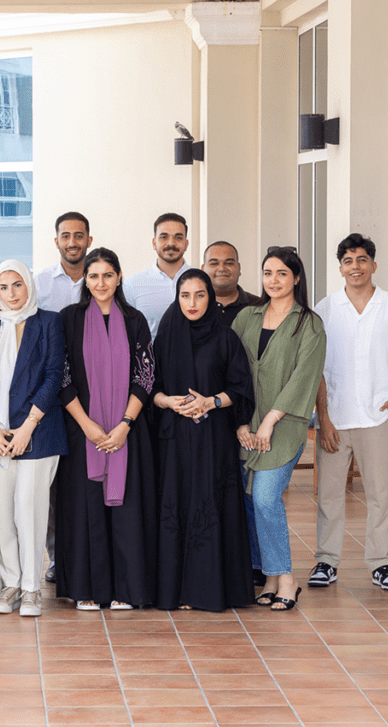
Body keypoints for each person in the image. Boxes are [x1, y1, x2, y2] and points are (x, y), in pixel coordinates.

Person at [310, 233, 388, 592]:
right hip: (336, 419)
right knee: (329, 495)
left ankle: (380, 564)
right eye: (347, 261)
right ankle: (326, 562)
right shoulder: (325, 309)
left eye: (361, 260)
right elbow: (315, 367)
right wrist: (323, 418)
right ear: (340, 268)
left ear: (373, 265)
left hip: (376, 417)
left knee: (379, 496)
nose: (355, 267)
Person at [55, 248, 158, 610]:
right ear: (85, 279)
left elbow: (145, 376)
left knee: (126, 512)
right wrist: (88, 426)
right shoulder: (69, 319)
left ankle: (126, 590)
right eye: (93, 276)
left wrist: (124, 425)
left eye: (107, 275)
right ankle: (86, 589)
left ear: (119, 278)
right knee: (85, 512)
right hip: (81, 432)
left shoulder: (135, 320)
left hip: (128, 433)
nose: (101, 283)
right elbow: (62, 376)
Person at [152, 269, 255, 612]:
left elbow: (241, 390)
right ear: (176, 298)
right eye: (185, 295)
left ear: (211, 298)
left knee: (210, 506)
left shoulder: (225, 339)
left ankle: (209, 590)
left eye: (200, 295)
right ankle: (177, 592)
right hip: (175, 440)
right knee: (177, 506)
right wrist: (168, 402)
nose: (192, 303)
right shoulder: (164, 337)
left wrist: (210, 401)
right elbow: (150, 389)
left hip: (213, 441)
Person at [232, 247, 326, 611]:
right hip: (245, 423)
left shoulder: (310, 324)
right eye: (268, 273)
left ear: (297, 278)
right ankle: (270, 577)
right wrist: (242, 421)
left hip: (284, 425)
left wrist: (269, 421)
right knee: (251, 500)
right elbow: (233, 370)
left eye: (282, 273)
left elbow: (305, 377)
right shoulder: (247, 317)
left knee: (268, 498)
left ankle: (287, 578)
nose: (274, 280)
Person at [0, 260, 67, 616]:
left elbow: (53, 375)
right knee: (3, 513)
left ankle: (31, 588)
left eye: (17, 285)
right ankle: (10, 583)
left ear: (29, 285)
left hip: (39, 432)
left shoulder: (49, 322)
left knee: (30, 511)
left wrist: (28, 425)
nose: (11, 293)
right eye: (3, 287)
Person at [34, 211, 93, 583]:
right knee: (54, 486)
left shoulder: (104, 279)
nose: (72, 241)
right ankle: (57, 558)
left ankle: (90, 553)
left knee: (88, 480)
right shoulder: (39, 283)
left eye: (79, 235)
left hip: (97, 391)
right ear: (56, 240)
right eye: (65, 235)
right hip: (53, 396)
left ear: (89, 239)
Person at [124, 213, 192, 339]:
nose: (171, 243)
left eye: (178, 237)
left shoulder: (201, 281)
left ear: (186, 244)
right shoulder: (132, 285)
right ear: (154, 243)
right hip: (151, 358)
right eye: (164, 237)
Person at [202, 241, 260, 327]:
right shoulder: (188, 306)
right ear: (203, 269)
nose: (222, 268)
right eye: (214, 263)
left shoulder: (260, 306)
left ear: (239, 268)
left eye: (229, 263)